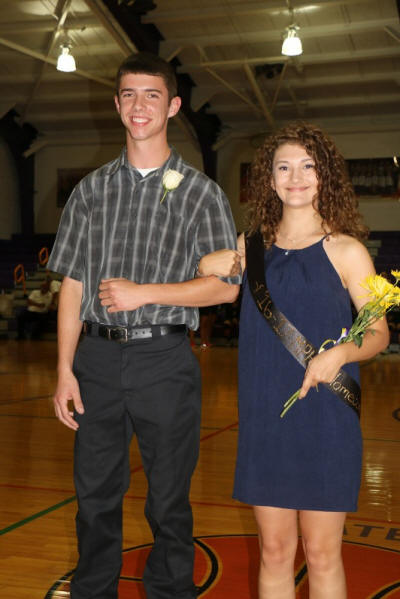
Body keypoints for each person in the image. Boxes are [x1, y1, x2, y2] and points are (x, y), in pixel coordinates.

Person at [47, 52, 240, 599]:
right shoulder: (89, 191)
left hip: (164, 360)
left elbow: (225, 287)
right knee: (95, 498)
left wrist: (145, 292)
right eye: (129, 94)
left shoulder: (203, 193)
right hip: (97, 361)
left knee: (169, 500)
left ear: (173, 106)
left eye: (152, 95)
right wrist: (65, 370)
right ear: (117, 104)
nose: (140, 106)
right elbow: (74, 286)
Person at [197, 122, 389, 599]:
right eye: (284, 167)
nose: (296, 177)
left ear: (326, 176)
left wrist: (341, 353)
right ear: (270, 179)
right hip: (266, 418)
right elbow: (207, 278)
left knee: (323, 554)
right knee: (275, 552)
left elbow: (379, 333)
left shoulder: (348, 251)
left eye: (308, 166)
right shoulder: (250, 248)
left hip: (327, 419)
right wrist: (209, 263)